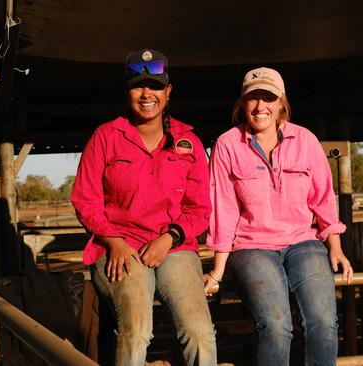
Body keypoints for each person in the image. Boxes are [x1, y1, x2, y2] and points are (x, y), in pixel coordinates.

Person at [71, 49, 217, 366]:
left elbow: (200, 209)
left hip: (173, 246)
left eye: (155, 86)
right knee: (136, 331)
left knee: (199, 332)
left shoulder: (188, 142)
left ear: (168, 92)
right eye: (138, 86)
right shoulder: (106, 137)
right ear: (127, 92)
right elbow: (85, 200)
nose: (147, 94)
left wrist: (170, 238)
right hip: (122, 245)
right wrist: (112, 241)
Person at [203, 67, 353, 366]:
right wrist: (218, 269)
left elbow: (322, 197)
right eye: (252, 98)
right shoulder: (227, 145)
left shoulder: (305, 140)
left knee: (323, 321)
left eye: (268, 98)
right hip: (251, 245)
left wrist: (335, 246)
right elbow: (224, 207)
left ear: (281, 102)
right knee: (276, 324)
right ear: (242, 103)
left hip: (301, 241)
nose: (260, 107)